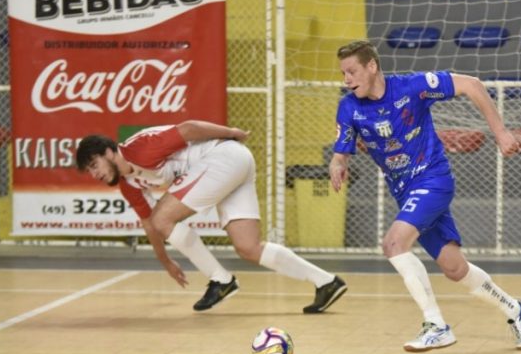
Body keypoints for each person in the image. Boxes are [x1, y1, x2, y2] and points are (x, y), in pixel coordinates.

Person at [329, 40, 521, 353]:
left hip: (432, 179)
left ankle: (436, 325)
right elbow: (342, 151)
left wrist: (501, 133)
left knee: (393, 243)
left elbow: (472, 85)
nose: (347, 79)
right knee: (454, 268)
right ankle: (517, 310)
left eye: (352, 71)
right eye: (343, 73)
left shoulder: (412, 88)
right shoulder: (349, 106)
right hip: (403, 191)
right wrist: (337, 164)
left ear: (372, 66)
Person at [75, 121, 347, 314]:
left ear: (109, 152)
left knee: (163, 218)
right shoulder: (128, 183)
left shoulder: (140, 148)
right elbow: (149, 224)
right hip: (234, 164)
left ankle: (221, 280)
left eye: (94, 165)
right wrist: (166, 261)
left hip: (224, 156)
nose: (95, 174)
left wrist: (232, 132)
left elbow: (189, 128)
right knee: (248, 247)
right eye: (89, 171)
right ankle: (327, 282)